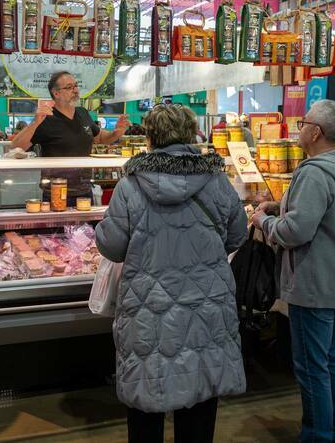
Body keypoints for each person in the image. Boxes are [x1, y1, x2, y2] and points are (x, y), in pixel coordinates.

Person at [95, 104, 248, 443]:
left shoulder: (130, 185)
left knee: (145, 398)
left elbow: (112, 246)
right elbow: (239, 235)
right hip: (206, 305)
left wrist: (101, 228)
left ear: (149, 137)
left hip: (149, 307)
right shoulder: (217, 180)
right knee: (200, 394)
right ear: (192, 133)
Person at [252, 100, 335, 443]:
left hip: (313, 282)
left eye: (303, 123)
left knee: (312, 367)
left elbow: (296, 232)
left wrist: (263, 220)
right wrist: (281, 205)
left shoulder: (314, 172)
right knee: (333, 361)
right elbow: (324, 213)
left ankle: (317, 435)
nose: (299, 128)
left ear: (315, 132)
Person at [12, 71, 130, 203]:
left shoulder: (82, 113)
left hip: (84, 188)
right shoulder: (46, 118)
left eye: (76, 85)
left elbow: (100, 138)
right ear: (56, 93)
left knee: (85, 225)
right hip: (56, 190)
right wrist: (35, 123)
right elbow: (16, 146)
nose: (75, 90)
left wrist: (117, 132)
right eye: (69, 87)